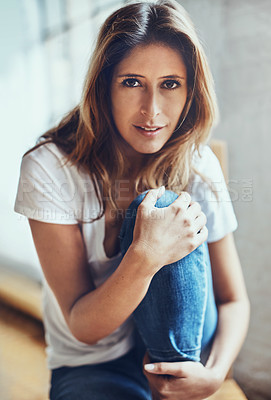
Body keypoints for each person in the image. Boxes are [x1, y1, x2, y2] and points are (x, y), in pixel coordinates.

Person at [14, 1, 250, 399]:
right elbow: (83, 326)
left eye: (170, 84)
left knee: (164, 206)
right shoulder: (50, 168)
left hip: (186, 349)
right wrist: (145, 254)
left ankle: (175, 380)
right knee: (157, 219)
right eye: (132, 82)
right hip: (93, 361)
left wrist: (214, 374)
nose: (152, 110)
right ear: (104, 85)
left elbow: (233, 300)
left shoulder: (197, 161)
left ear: (191, 90)